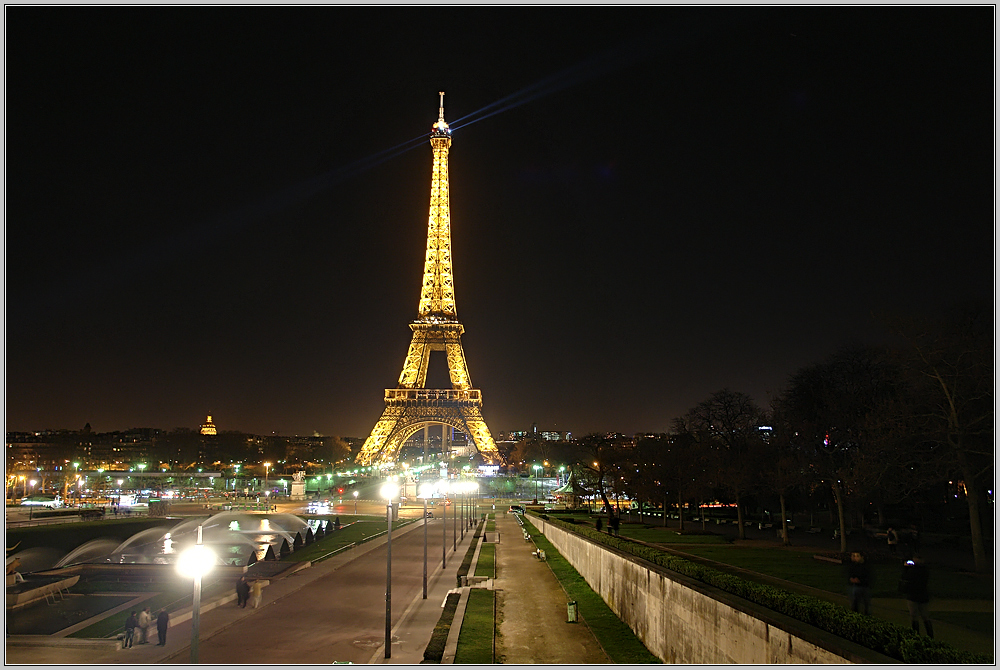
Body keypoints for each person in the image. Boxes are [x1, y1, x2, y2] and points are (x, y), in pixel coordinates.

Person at [899, 555, 934, 637]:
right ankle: (929, 635)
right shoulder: (924, 570)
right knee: (923, 617)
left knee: (915, 616)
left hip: (914, 596)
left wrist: (906, 569)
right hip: (921, 596)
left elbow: (906, 578)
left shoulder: (915, 570)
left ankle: (917, 634)